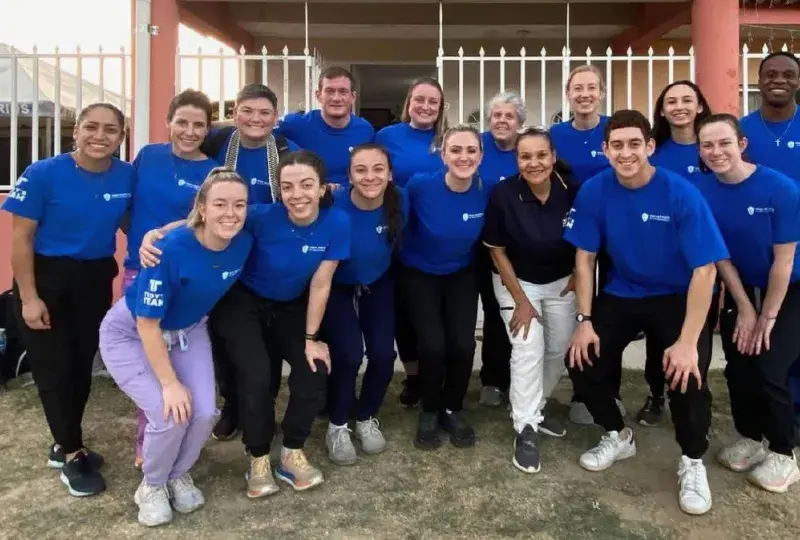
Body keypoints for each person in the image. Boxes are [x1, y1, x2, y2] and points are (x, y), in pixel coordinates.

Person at [143, 150, 349, 497]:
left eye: (306, 185)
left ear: (322, 188)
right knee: (256, 376)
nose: (297, 194)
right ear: (279, 190)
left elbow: (321, 283)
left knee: (313, 370)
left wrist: (311, 337)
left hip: (290, 306)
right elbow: (206, 222)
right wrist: (156, 233)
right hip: (243, 302)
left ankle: (292, 451)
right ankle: (258, 457)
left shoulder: (337, 223)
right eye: (287, 187)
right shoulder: (261, 216)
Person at [564, 109, 728, 515]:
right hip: (623, 291)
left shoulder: (680, 192)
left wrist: (688, 343)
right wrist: (584, 321)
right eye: (617, 145)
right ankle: (618, 435)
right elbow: (584, 258)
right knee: (582, 359)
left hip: (678, 294)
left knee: (687, 373)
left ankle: (692, 459)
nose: (626, 153)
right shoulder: (595, 190)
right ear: (605, 150)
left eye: (635, 144)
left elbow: (706, 270)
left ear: (650, 146)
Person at [100, 169, 253, 527]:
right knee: (169, 412)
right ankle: (152, 486)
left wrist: (161, 227)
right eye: (219, 204)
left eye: (239, 205)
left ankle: (177, 474)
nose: (230, 213)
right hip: (133, 333)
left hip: (188, 330)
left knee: (204, 413)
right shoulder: (168, 251)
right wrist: (169, 383)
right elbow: (147, 324)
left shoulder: (244, 239)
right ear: (202, 207)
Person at [2, 103, 133, 497]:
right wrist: (29, 298)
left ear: (121, 137)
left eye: (110, 129)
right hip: (46, 279)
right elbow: (21, 238)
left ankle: (65, 442)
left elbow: (134, 222)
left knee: (80, 367)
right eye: (91, 127)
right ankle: (72, 454)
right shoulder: (43, 173)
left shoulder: (126, 175)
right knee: (54, 369)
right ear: (76, 131)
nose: (100, 136)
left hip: (94, 280)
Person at [695, 113, 800, 494]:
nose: (716, 151)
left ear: (741, 144)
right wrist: (744, 307)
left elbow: (784, 262)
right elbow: (720, 257)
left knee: (771, 366)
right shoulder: (703, 193)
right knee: (739, 365)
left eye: (724, 143)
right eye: (707, 145)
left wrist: (766, 316)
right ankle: (751, 437)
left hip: (788, 288)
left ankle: (784, 452)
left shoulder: (780, 188)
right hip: (742, 287)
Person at [199, 83, 300, 443]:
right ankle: (231, 405)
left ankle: (262, 406)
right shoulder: (215, 144)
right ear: (234, 113)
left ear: (275, 117)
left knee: (265, 345)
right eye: (248, 111)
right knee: (224, 338)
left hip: (267, 261)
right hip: (222, 256)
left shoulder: (288, 151)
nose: (256, 119)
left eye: (264, 112)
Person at [126, 90, 218, 468]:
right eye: (182, 122)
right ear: (168, 122)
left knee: (182, 362)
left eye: (199, 125)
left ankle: (185, 436)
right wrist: (142, 242)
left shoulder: (212, 172)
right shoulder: (148, 156)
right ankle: (147, 442)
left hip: (184, 276)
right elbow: (128, 206)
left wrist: (163, 233)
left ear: (208, 129)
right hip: (139, 269)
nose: (189, 131)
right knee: (150, 362)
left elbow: (209, 220)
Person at [483, 127, 579, 473]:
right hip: (516, 281)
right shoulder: (503, 193)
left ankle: (533, 407)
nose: (534, 163)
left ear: (553, 157)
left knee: (558, 348)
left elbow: (587, 239)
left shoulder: (573, 190)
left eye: (541, 155)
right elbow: (497, 251)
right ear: (517, 160)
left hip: (561, 282)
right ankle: (524, 427)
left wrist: (579, 273)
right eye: (526, 156)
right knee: (527, 347)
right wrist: (521, 300)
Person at [401, 125, 497, 450]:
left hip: (461, 273)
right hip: (420, 272)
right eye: (455, 150)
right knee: (432, 346)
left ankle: (452, 407)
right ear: (443, 155)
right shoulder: (420, 186)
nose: (463, 157)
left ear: (481, 156)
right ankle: (429, 409)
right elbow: (394, 217)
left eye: (471, 150)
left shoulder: (487, 189)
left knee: (462, 345)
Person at [322, 144, 408, 465]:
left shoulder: (401, 200)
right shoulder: (332, 202)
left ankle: (366, 415)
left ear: (390, 174)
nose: (370, 177)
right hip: (337, 285)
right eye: (360, 170)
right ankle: (337, 424)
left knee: (384, 355)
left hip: (378, 282)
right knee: (349, 354)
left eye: (378, 169)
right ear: (348, 176)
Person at [548, 65, 624, 426]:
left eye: (591, 87)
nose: (584, 94)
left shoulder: (615, 130)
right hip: (570, 233)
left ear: (602, 92)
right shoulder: (555, 135)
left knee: (609, 314)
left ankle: (603, 389)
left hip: (616, 232)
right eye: (577, 88)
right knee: (573, 308)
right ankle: (571, 380)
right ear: (568, 94)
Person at [637, 81, 715, 427]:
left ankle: (697, 395)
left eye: (687, 100)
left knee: (697, 332)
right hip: (661, 257)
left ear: (700, 106)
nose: (679, 107)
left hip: (704, 257)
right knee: (658, 335)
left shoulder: (712, 149)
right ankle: (656, 394)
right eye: (671, 101)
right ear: (662, 110)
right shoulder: (656, 151)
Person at [375, 77, 447, 408]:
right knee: (404, 314)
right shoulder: (387, 137)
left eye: (433, 101)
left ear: (441, 107)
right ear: (409, 102)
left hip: (436, 237)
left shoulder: (447, 140)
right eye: (420, 99)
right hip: (397, 236)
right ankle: (414, 377)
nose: (425, 106)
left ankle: (438, 375)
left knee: (435, 316)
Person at [740, 51, 800, 428]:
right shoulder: (742, 132)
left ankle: (790, 424)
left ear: (798, 81)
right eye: (771, 74)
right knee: (750, 350)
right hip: (752, 256)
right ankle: (755, 425)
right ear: (759, 81)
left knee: (789, 348)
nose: (779, 80)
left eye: (788, 74)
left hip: (796, 257)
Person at [475, 92, 522, 409]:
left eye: (509, 116)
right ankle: (493, 379)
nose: (502, 121)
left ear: (519, 122)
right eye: (496, 115)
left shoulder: (527, 148)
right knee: (493, 312)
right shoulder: (477, 145)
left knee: (517, 311)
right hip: (479, 243)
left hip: (518, 245)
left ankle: (522, 377)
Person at [275, 67, 375, 186]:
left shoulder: (365, 130)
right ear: (318, 95)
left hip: (351, 197)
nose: (336, 98)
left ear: (353, 97)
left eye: (343, 92)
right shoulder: (296, 124)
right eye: (330, 91)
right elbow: (262, 133)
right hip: (309, 196)